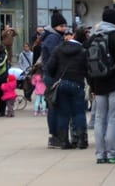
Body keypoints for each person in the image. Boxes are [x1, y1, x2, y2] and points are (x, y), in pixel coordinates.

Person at [86, 8, 115, 164]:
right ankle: (113, 153)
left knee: (100, 118)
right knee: (114, 118)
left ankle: (100, 154)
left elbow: (87, 62)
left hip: (98, 83)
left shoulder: (94, 36)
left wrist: (92, 85)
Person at [45, 28, 89, 149]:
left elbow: (49, 67)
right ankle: (81, 140)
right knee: (79, 112)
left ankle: (64, 141)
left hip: (61, 83)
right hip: (77, 84)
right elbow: (88, 70)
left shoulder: (59, 49)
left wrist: (56, 77)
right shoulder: (83, 51)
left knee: (63, 113)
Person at [41, 12, 68, 148]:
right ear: (56, 26)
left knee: (55, 105)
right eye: (62, 26)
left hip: (51, 75)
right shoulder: (53, 39)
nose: (65, 28)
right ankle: (55, 136)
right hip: (52, 76)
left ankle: (56, 135)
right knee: (54, 105)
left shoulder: (54, 37)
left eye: (65, 25)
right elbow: (56, 58)